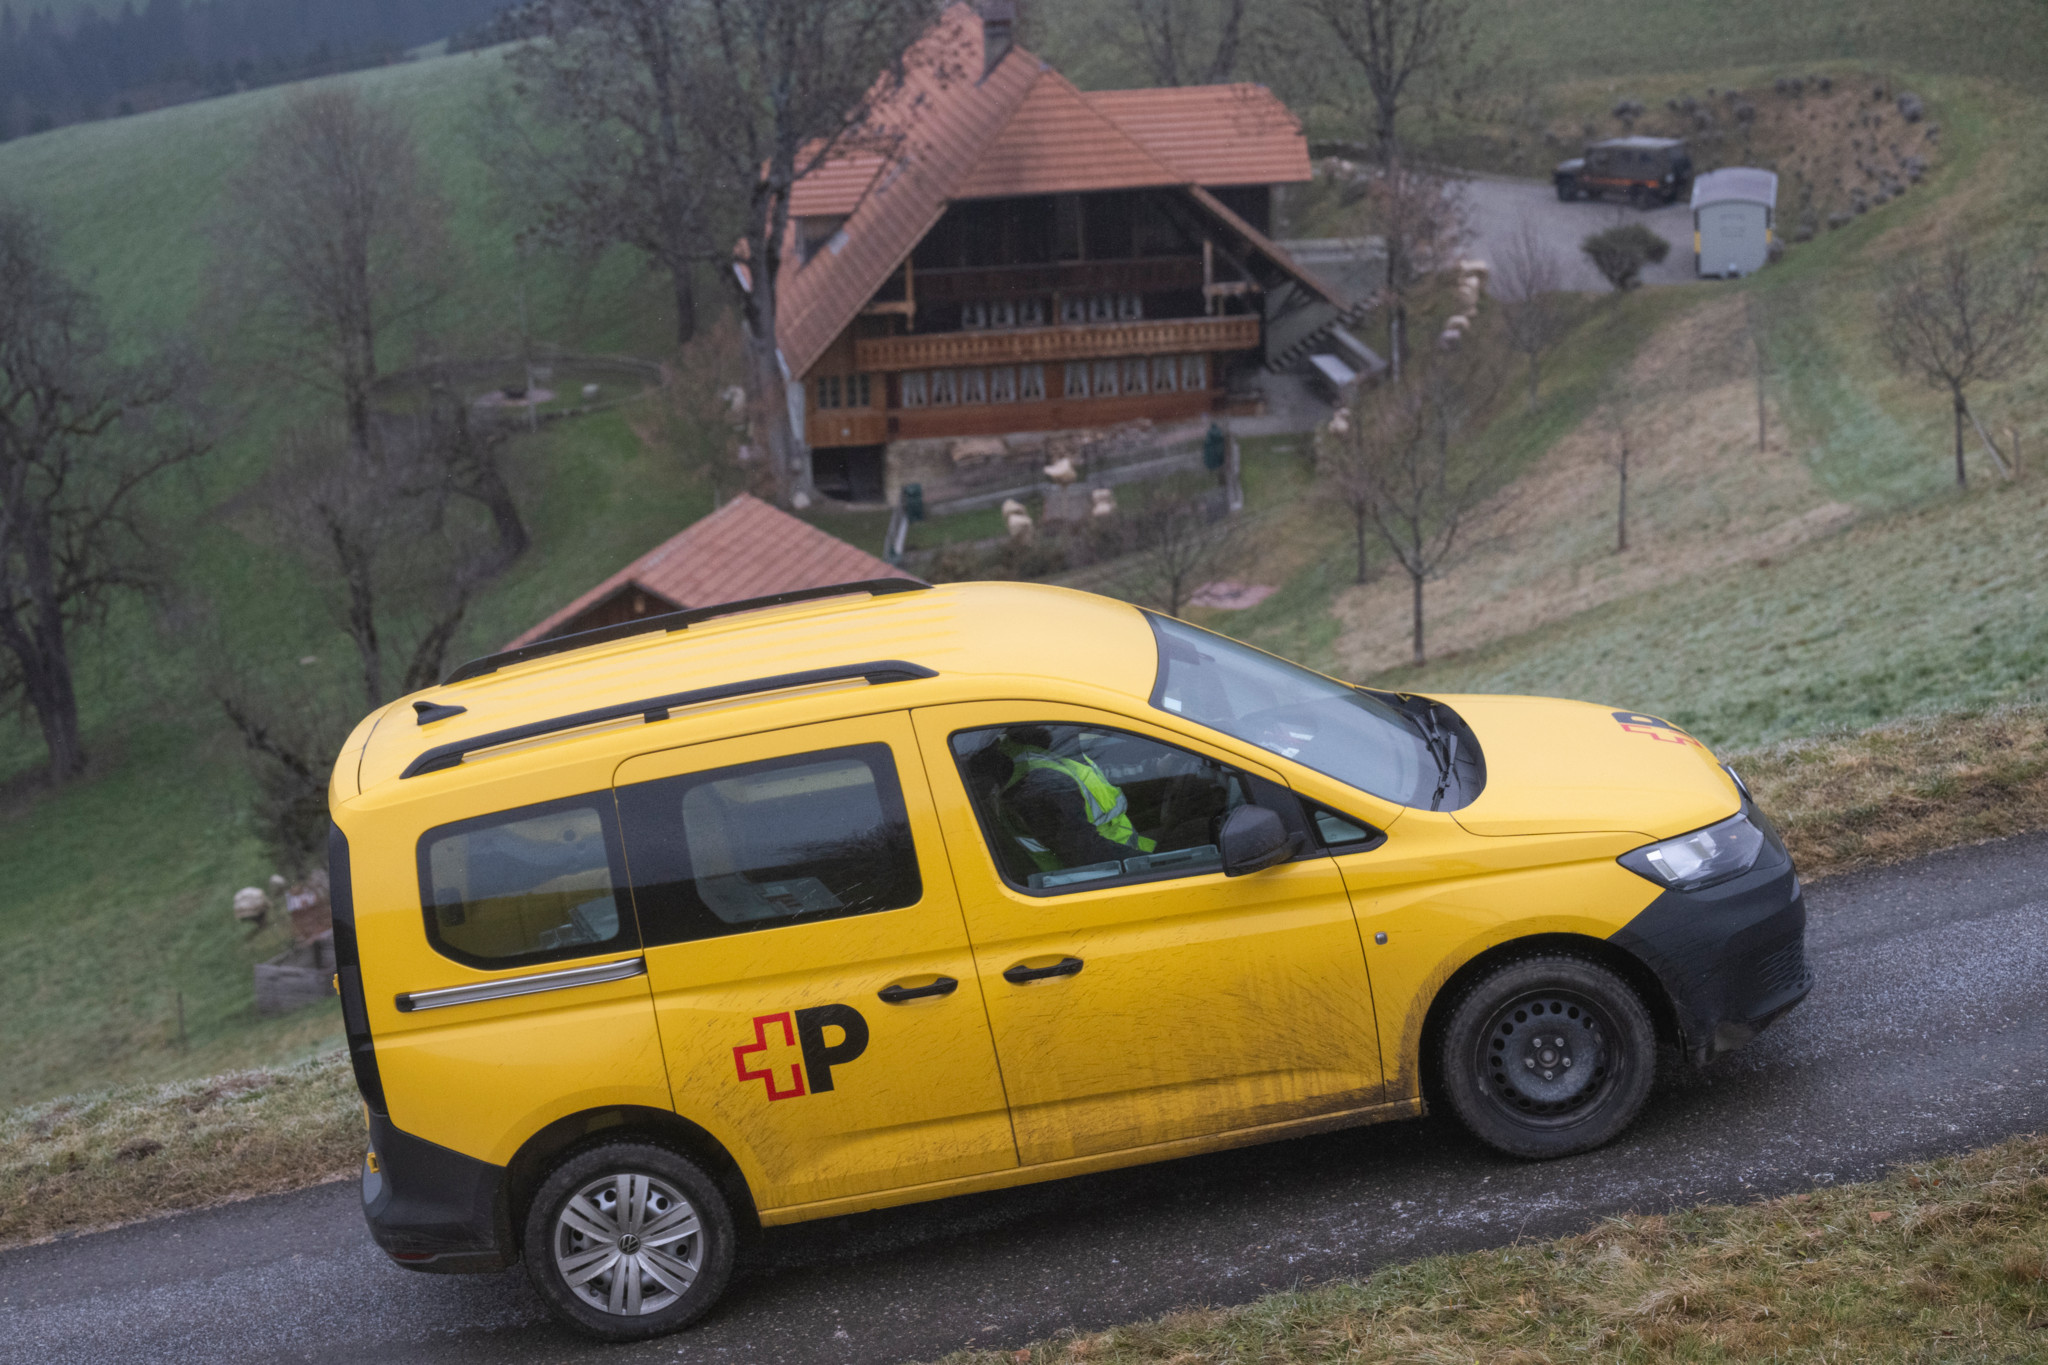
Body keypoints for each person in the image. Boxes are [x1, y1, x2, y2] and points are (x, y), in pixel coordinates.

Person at [968, 727, 1155, 875]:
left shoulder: (1039, 753)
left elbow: (1095, 780)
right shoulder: (1044, 785)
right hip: (1103, 878)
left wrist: (1156, 767)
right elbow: (1087, 853)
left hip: (1120, 851)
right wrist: (1154, 864)